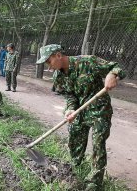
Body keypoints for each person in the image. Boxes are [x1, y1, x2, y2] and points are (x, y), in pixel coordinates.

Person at [37, 44, 126, 191]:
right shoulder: (58, 76)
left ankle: (94, 182)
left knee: (98, 143)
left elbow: (116, 67)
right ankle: (73, 169)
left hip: (99, 110)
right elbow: (69, 95)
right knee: (74, 137)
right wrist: (70, 109)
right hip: (79, 110)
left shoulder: (88, 61)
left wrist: (112, 75)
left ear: (58, 55)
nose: (48, 67)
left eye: (48, 61)